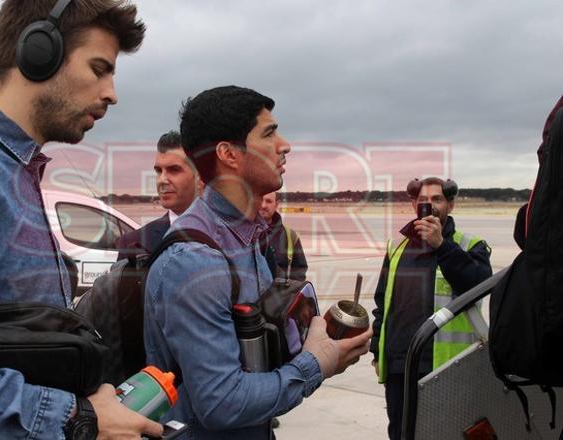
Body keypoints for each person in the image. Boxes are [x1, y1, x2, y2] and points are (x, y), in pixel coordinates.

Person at [0, 1, 163, 438]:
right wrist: (75, 418)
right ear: (37, 52)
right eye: (99, 68)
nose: (111, 93)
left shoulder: (12, 173)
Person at [144, 85, 373, 439]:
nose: (285, 145)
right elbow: (222, 404)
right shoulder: (193, 261)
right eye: (269, 133)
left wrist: (322, 341)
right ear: (229, 154)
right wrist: (316, 364)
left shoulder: (246, 239)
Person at [370, 177, 492, 440]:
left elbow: (477, 286)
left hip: (447, 367)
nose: (429, 205)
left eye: (437, 199)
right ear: (414, 204)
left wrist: (441, 246)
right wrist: (377, 351)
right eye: (423, 200)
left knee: (446, 433)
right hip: (400, 366)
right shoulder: (397, 247)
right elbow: (383, 303)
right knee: (402, 432)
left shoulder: (470, 246)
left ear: (450, 205)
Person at [117, 130, 202, 260]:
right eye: (158, 171)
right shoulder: (133, 244)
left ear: (200, 176)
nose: (162, 180)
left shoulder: (231, 235)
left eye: (174, 170)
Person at [259, 191, 308, 281]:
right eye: (260, 200)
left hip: (280, 293)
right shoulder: (240, 234)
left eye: (268, 201)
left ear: (276, 204)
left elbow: (299, 272)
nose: (263, 205)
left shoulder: (291, 236)